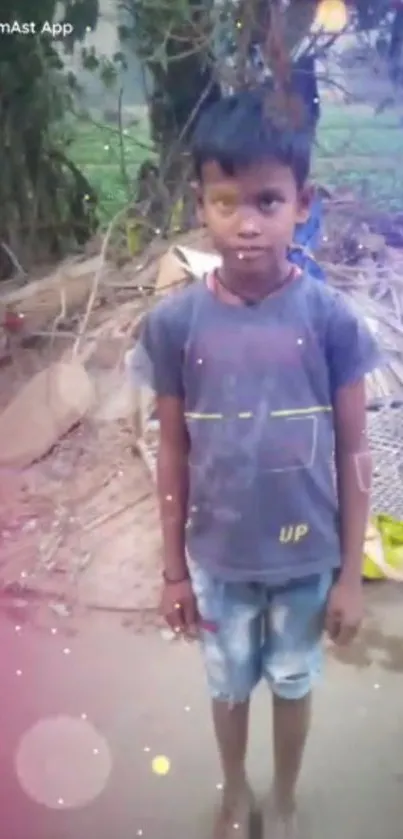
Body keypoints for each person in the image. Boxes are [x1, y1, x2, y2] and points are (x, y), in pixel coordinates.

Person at [132, 87, 380, 839]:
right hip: (218, 560)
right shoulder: (175, 325)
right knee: (229, 686)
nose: (245, 223)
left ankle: (285, 793)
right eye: (225, 200)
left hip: (306, 563)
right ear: (200, 203)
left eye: (267, 201)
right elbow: (172, 448)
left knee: (294, 683)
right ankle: (236, 790)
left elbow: (353, 448)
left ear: (302, 203)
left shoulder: (329, 319)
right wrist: (173, 568)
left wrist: (346, 574)